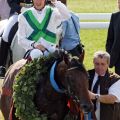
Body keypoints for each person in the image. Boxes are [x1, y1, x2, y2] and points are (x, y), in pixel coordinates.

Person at [0, 0, 33, 77]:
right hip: (17, 14)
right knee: (6, 35)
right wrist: (21, 9)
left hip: (37, 13)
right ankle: (2, 65)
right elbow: (11, 2)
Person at [88, 51, 120, 120]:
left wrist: (94, 96)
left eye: (103, 64)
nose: (99, 67)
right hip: (89, 116)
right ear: (93, 63)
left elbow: (112, 99)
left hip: (108, 116)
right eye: (97, 64)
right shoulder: (87, 75)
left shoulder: (115, 79)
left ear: (108, 64)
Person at [106, 0, 120, 75]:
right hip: (118, 60)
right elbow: (110, 39)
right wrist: (109, 56)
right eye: (119, 2)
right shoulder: (115, 16)